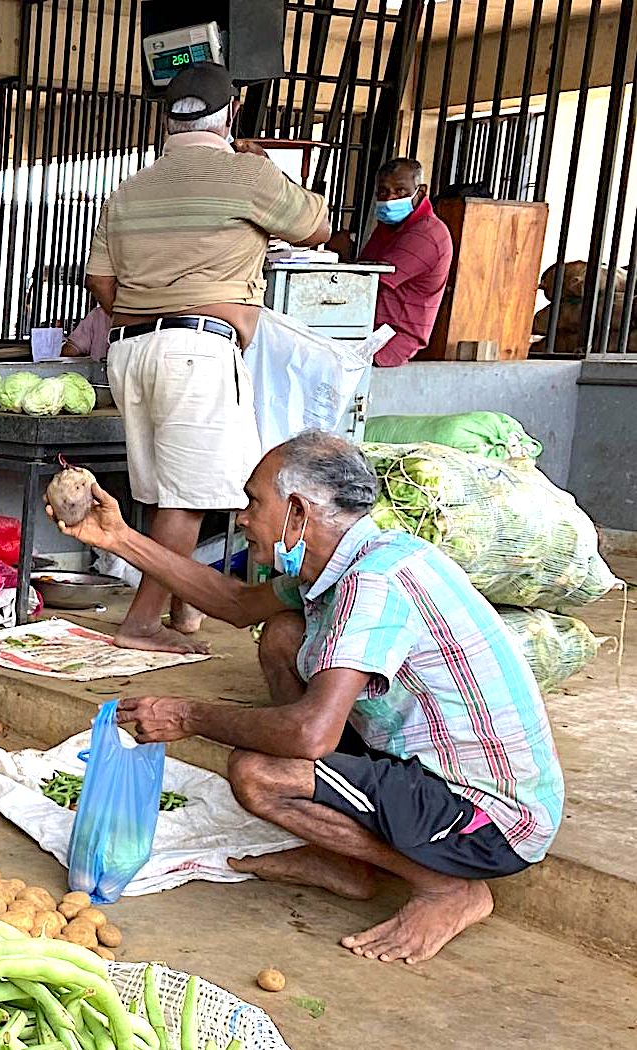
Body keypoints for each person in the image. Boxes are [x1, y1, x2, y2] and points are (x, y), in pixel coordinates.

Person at [51, 431, 563, 964]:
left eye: (254, 502)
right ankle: (346, 859)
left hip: (488, 818)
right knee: (283, 633)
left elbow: (310, 734)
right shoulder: (343, 561)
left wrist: (188, 714)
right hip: (420, 768)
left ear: (297, 512)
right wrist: (116, 538)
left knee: (259, 774)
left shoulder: (375, 581)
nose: (243, 518)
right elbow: (233, 601)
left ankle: (447, 887)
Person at [83, 62, 330, 655]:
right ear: (233, 113)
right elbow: (317, 227)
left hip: (132, 350)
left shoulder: (128, 191)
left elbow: (102, 284)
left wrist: (157, 304)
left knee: (164, 490)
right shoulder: (246, 175)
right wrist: (264, 168)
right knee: (187, 498)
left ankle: (185, 613)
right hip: (195, 349)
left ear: (164, 119)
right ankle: (142, 622)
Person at [348, 158, 454, 367]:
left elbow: (367, 283)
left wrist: (340, 253)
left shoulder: (425, 234)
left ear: (421, 192)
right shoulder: (390, 227)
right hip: (370, 328)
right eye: (383, 192)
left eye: (400, 191)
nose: (390, 199)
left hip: (390, 339)